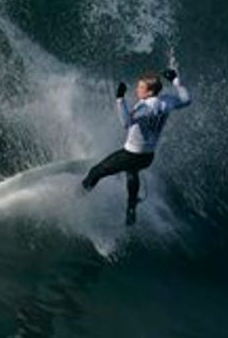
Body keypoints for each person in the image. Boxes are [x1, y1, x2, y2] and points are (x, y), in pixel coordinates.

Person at [81, 66, 192, 224]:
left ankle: (78, 197)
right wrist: (175, 81)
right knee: (132, 172)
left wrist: (120, 99)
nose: (137, 90)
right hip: (147, 157)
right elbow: (186, 100)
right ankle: (131, 207)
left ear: (149, 92)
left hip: (131, 155)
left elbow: (126, 122)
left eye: (141, 87)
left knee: (95, 172)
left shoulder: (145, 107)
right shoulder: (166, 102)